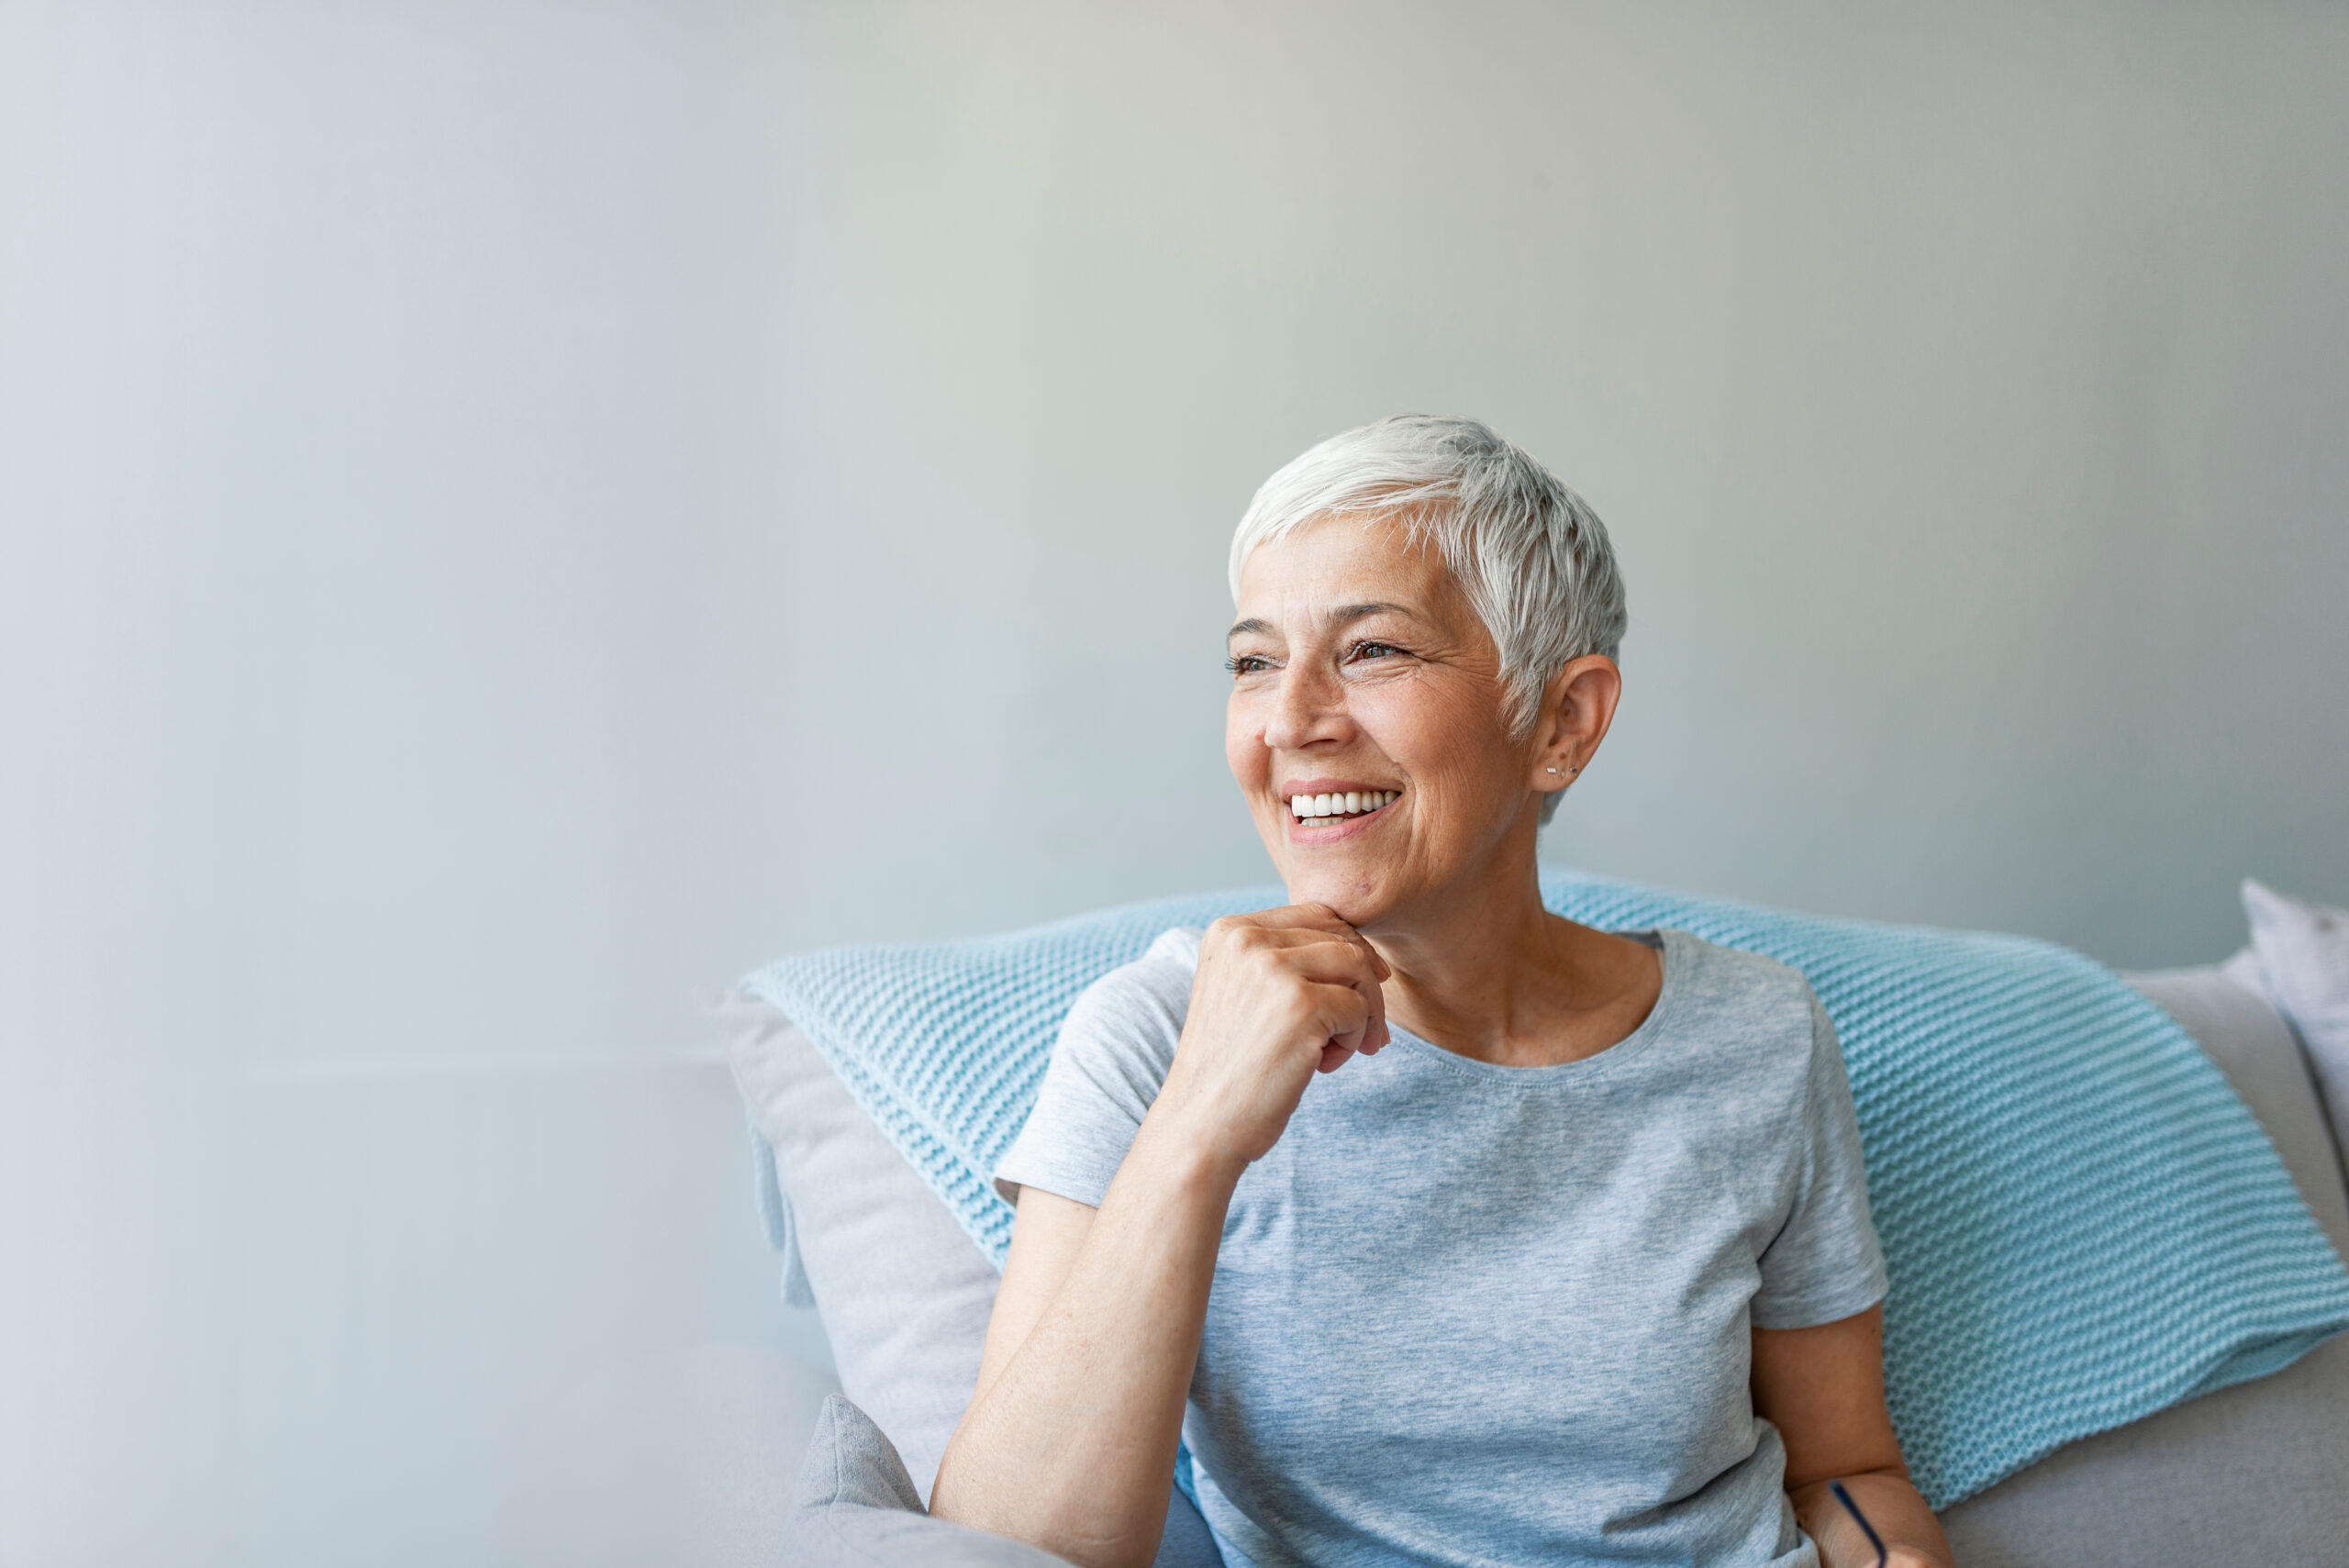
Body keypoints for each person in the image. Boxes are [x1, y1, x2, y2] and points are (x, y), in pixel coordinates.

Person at [929, 416, 1955, 1568]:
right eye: (1254, 660)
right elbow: (1000, 1548)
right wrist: (1198, 1130)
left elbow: (1844, 1470)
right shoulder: (1154, 1037)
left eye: (1372, 650)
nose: (1290, 719)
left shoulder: (1758, 1033)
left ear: (1561, 721)